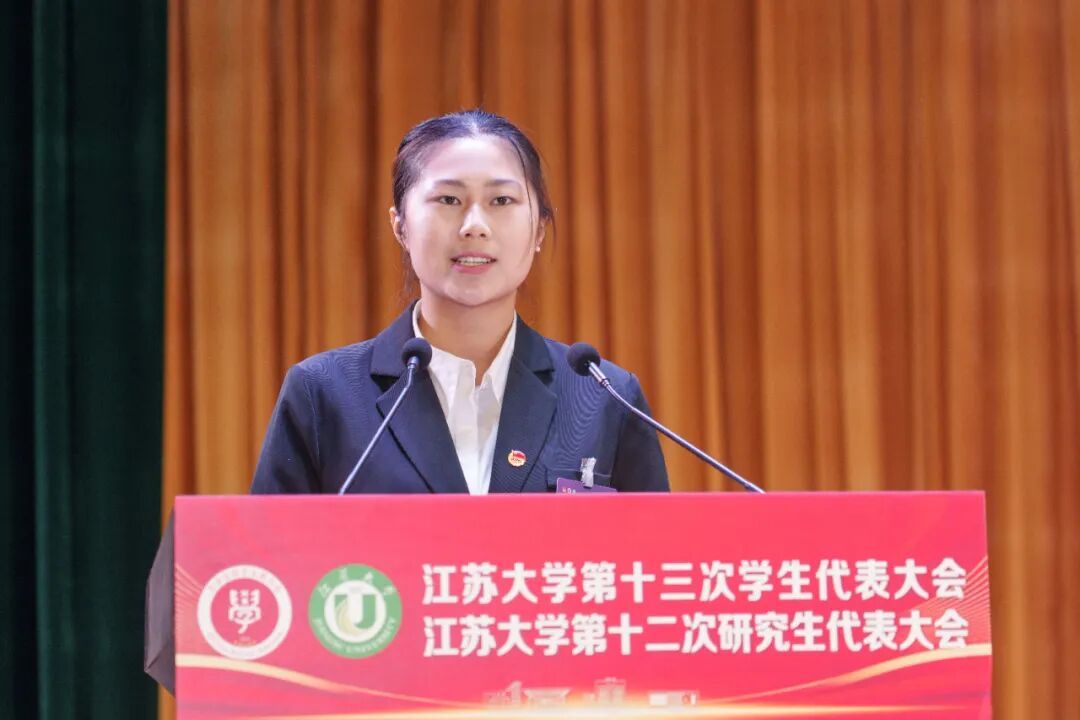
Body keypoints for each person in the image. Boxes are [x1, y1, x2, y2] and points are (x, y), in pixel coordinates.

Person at [251, 109, 668, 494]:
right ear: (400, 226)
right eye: (449, 200)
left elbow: (654, 548)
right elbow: (269, 548)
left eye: (501, 201)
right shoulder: (324, 394)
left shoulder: (604, 397)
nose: (475, 226)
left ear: (539, 229)